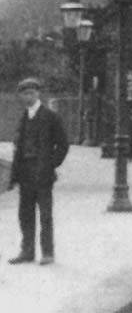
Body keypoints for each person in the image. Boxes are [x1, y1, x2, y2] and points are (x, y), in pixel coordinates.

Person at [7, 78, 69, 266]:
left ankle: (48, 253)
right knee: (25, 213)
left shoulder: (50, 116)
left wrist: (51, 164)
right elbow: (18, 147)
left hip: (42, 173)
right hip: (25, 173)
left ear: (38, 94)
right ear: (20, 96)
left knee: (45, 214)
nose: (28, 97)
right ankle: (27, 251)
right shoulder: (23, 117)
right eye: (25, 94)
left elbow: (63, 145)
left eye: (32, 93)